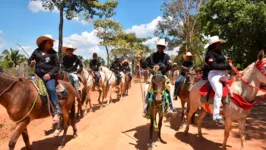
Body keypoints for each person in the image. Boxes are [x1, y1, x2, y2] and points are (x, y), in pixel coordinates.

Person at [28, 34, 61, 124]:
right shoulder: (36, 51)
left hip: (48, 76)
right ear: (44, 43)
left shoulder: (53, 53)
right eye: (50, 42)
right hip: (36, 75)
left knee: (51, 89)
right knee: (24, 84)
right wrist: (31, 62)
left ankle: (56, 112)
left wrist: (50, 74)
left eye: (52, 42)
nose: (52, 44)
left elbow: (57, 66)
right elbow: (29, 61)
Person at [137, 38, 173, 118]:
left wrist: (160, 66)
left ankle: (170, 109)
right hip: (153, 76)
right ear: (157, 46)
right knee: (146, 89)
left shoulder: (167, 57)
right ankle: (146, 109)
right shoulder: (151, 56)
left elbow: (170, 65)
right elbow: (145, 65)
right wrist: (140, 61)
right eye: (159, 46)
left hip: (163, 75)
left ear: (164, 48)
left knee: (170, 88)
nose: (161, 48)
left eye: (162, 46)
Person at [204, 35, 231, 125]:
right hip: (214, 74)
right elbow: (213, 66)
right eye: (218, 43)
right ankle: (216, 115)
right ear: (215, 44)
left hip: (224, 73)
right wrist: (227, 66)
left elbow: (223, 64)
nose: (220, 45)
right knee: (219, 91)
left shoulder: (220, 53)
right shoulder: (209, 55)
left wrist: (228, 66)